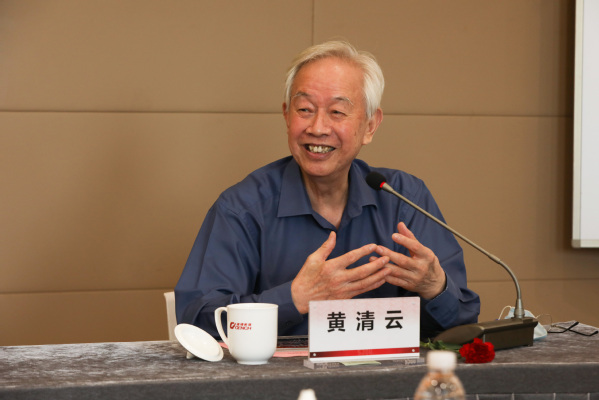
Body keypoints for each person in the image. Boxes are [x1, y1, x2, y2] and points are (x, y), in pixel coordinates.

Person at [175, 41, 480, 339]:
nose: (318, 128)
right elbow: (196, 321)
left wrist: (435, 288)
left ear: (370, 125)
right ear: (286, 116)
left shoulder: (403, 198)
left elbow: (465, 322)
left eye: (337, 112)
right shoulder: (243, 207)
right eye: (305, 109)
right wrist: (294, 298)